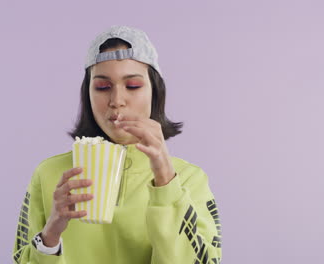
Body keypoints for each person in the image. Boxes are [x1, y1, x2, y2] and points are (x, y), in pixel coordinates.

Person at [12, 25, 222, 264]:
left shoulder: (189, 179)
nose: (117, 101)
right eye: (102, 87)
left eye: (133, 86)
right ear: (87, 94)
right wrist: (50, 236)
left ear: (155, 91)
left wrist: (165, 180)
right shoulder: (49, 175)